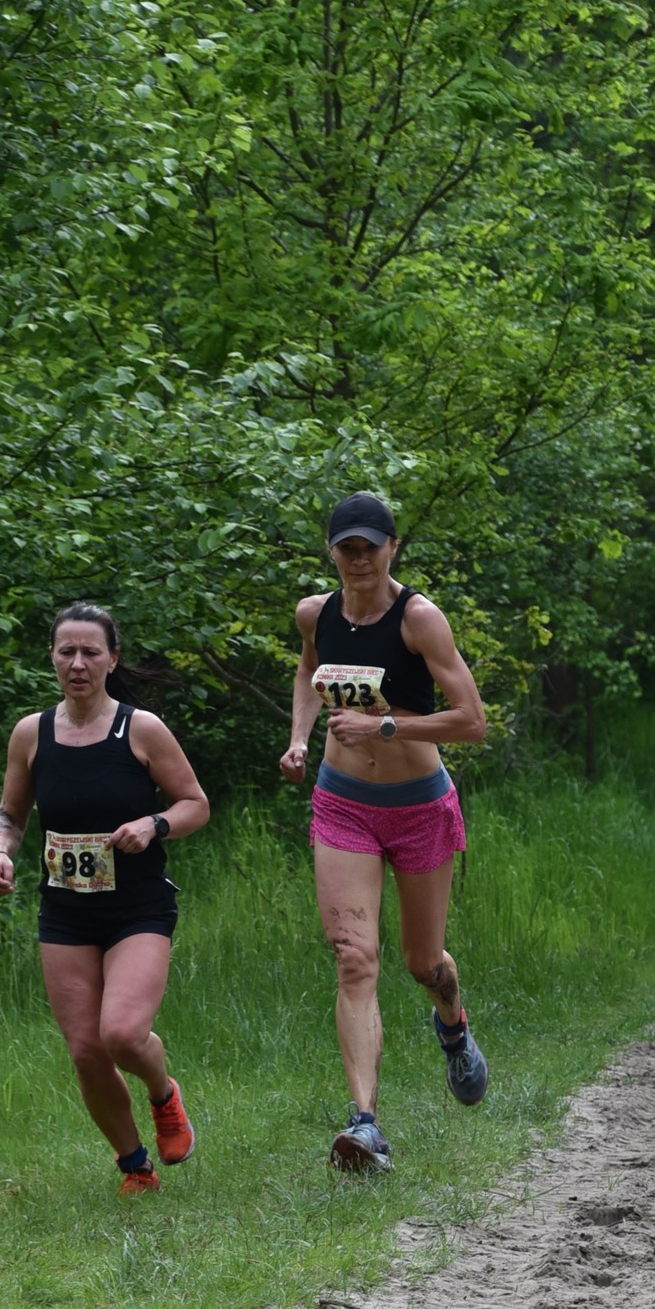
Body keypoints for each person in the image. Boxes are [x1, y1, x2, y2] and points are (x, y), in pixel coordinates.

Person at [280, 491, 489, 1172]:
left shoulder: (419, 619)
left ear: (392, 548)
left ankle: (452, 1026)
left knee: (422, 962)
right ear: (332, 552)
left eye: (371, 547)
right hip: (343, 804)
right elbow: (308, 669)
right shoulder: (315, 613)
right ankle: (365, 1125)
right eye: (347, 548)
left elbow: (471, 721)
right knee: (353, 958)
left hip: (419, 805)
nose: (360, 559)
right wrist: (299, 738)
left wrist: (386, 726)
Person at [0, 603, 210, 1194]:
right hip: (66, 911)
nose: (78, 663)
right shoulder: (32, 733)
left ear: (113, 659)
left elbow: (195, 804)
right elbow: (11, 813)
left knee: (123, 1035)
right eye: (67, 652)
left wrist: (153, 826)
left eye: (91, 652)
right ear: (52, 658)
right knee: (87, 1051)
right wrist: (2, 852)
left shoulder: (140, 728)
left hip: (138, 908)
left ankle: (163, 1094)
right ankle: (135, 1167)